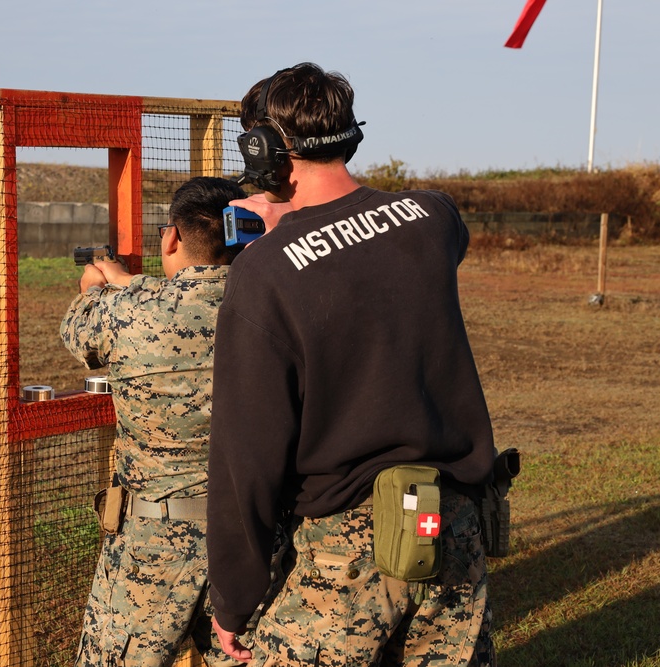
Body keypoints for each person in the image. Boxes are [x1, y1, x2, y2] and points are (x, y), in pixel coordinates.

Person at [206, 63, 498, 666]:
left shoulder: (265, 273)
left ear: (263, 152)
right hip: (454, 526)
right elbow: (398, 245)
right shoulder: (433, 217)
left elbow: (247, 456)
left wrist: (234, 600)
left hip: (345, 551)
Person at [61, 176, 249, 667]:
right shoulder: (272, 307)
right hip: (250, 539)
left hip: (150, 547)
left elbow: (77, 334)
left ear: (171, 238)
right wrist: (129, 282)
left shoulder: (126, 312)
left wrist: (93, 289)